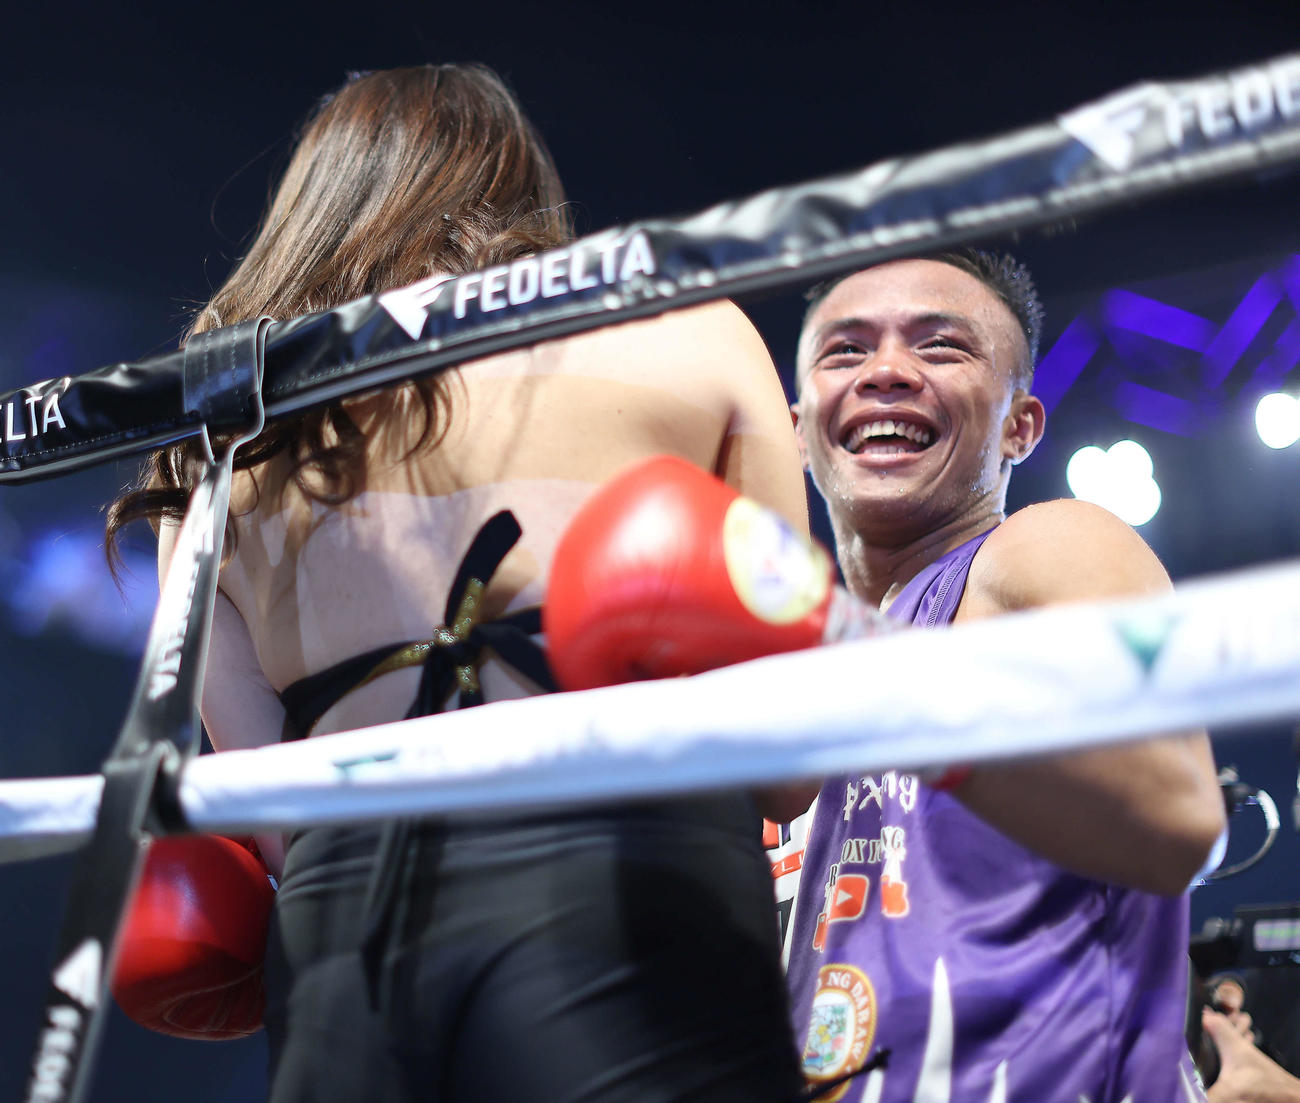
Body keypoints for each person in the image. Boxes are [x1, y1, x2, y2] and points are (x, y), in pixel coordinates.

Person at [106, 64, 809, 1102]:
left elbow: (271, 797)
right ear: (521, 188)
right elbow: (791, 752)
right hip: (630, 865)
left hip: (348, 920)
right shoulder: (688, 332)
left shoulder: (213, 436)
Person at [782, 250, 1227, 1102]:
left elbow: (1179, 812)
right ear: (799, 428)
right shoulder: (795, 678)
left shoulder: (1046, 546)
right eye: (846, 350)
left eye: (941, 346)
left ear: (1020, 426)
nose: (886, 371)